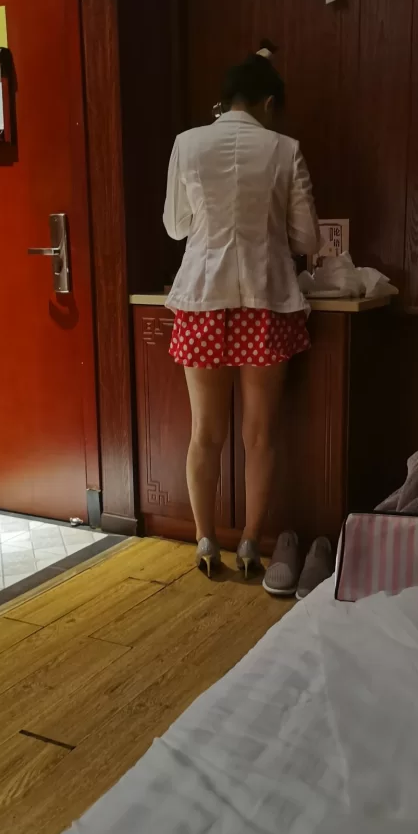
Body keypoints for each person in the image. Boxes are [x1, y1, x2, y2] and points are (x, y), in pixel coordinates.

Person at [163, 42, 320, 578]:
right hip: (265, 300)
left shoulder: (187, 144)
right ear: (268, 103)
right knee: (260, 435)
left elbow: (175, 226)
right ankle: (251, 543)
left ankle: (206, 540)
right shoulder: (285, 149)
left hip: (202, 299)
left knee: (204, 433)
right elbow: (306, 237)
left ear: (226, 99)